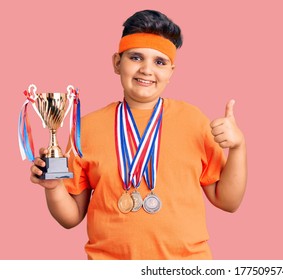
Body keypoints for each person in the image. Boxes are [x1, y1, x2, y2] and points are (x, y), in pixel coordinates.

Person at [29, 9, 247, 260]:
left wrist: (238, 146)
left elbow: (228, 201)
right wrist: (53, 186)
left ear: (171, 72)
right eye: (136, 57)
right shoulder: (85, 128)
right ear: (116, 62)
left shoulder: (194, 121)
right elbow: (71, 218)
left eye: (159, 62)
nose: (146, 69)